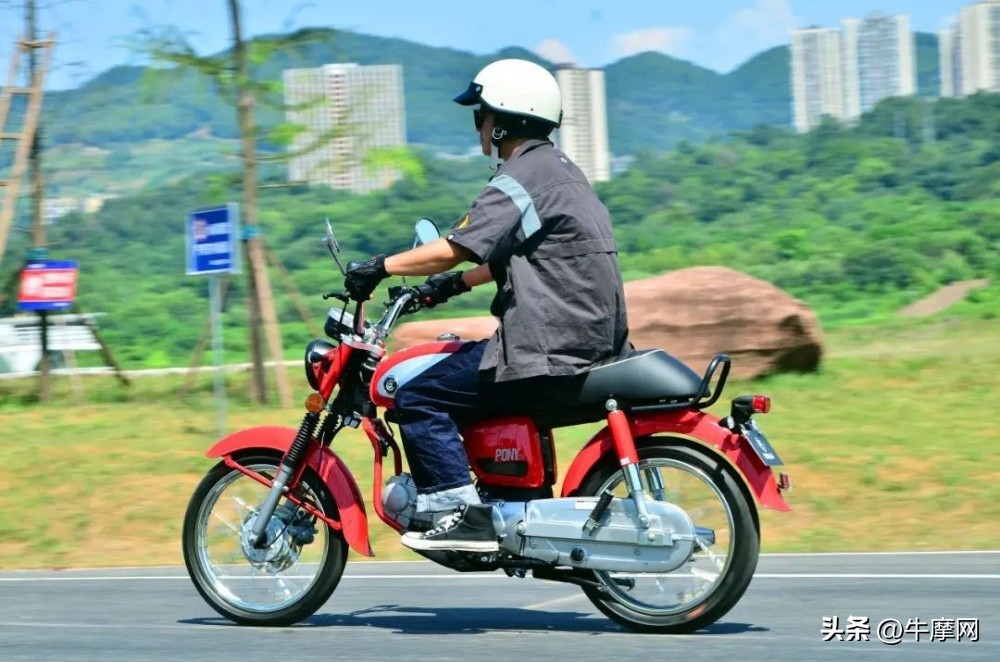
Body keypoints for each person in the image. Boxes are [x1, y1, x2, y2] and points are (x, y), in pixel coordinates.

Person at [343, 58, 630, 553]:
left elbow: (458, 245)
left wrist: (381, 266)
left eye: (482, 115)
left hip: (549, 345)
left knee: (420, 395)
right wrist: (447, 288)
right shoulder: (561, 171)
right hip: (589, 335)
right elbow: (518, 255)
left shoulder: (520, 177)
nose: (478, 126)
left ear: (505, 122)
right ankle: (493, 497)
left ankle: (461, 514)